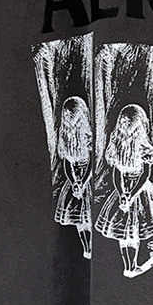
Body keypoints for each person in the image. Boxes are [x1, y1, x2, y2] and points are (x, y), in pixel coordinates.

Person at [95, 103, 153, 277]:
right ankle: (129, 265)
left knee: (132, 232)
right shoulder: (117, 145)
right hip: (125, 190)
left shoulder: (143, 147)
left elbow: (145, 175)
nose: (126, 125)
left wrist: (130, 195)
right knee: (125, 233)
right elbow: (117, 173)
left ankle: (131, 266)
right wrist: (122, 194)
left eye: (129, 122)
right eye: (124, 121)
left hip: (139, 191)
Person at [54, 95, 93, 257]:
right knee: (78, 219)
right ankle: (86, 247)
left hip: (87, 178)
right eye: (66, 115)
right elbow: (67, 162)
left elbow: (91, 163)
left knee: (88, 217)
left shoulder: (88, 135)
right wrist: (73, 182)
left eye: (72, 115)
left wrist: (83, 182)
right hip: (74, 179)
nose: (69, 118)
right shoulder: (65, 135)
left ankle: (91, 246)